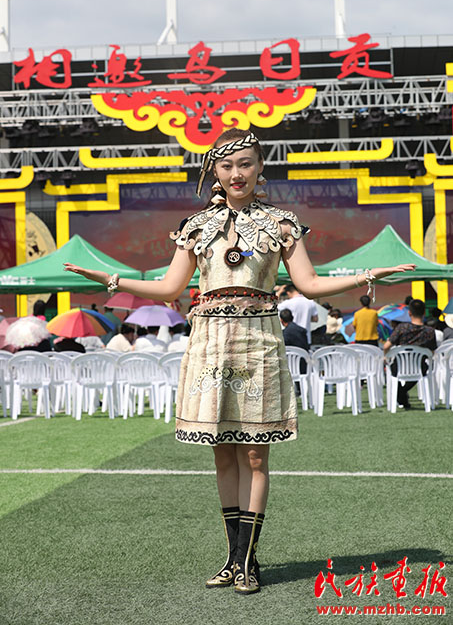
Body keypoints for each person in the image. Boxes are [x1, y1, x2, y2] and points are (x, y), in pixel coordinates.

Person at [63, 127, 415, 594]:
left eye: (245, 163)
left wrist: (366, 276)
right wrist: (112, 278)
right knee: (223, 453)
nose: (236, 173)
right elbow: (170, 288)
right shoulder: (196, 227)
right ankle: (232, 558)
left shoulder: (281, 224)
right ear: (214, 170)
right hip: (209, 340)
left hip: (258, 340)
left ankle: (249, 560)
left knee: (253, 451)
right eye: (226, 165)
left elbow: (309, 283)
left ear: (259, 167)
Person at [383, 299, 436, 409]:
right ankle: (402, 395)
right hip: (420, 367)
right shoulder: (429, 331)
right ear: (424, 313)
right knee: (421, 368)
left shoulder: (402, 328)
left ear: (409, 313)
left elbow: (386, 346)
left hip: (399, 367)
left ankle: (401, 394)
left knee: (390, 369)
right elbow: (431, 352)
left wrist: (385, 356)